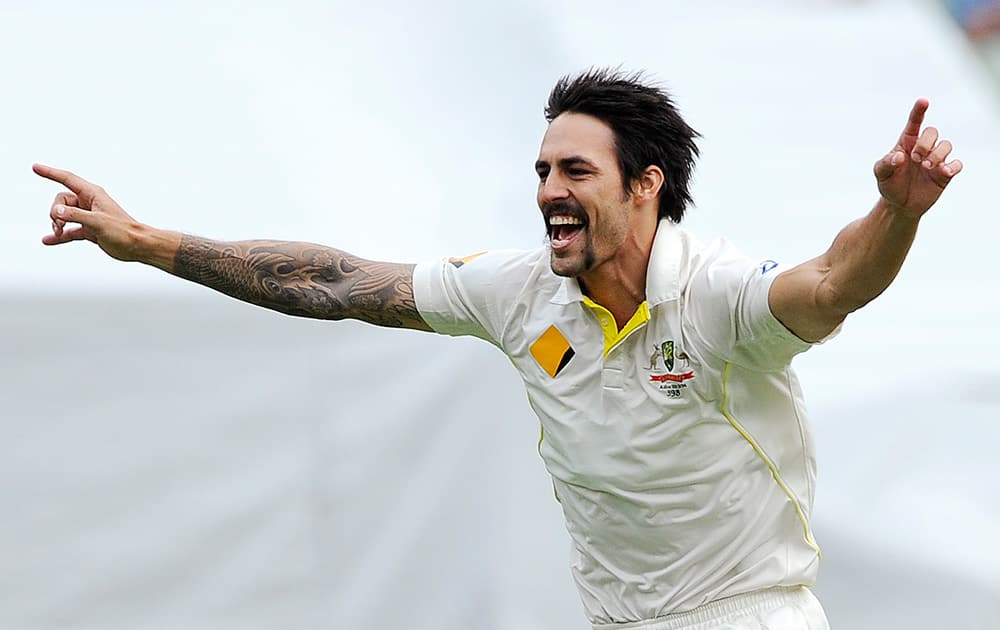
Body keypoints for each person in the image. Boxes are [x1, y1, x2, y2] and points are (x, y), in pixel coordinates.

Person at [36, 68, 962, 630]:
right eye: (542, 170)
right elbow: (335, 283)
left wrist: (894, 211)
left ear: (645, 186)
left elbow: (836, 282)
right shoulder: (517, 291)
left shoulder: (718, 294)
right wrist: (150, 242)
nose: (549, 189)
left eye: (575, 171)